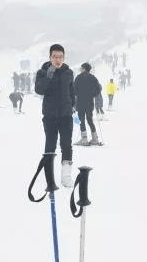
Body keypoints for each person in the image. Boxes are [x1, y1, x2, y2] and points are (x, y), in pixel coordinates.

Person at [34, 43, 77, 187]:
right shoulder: (43, 72)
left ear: (64, 58)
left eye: (60, 57)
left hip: (66, 116)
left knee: (66, 144)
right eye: (55, 57)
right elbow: (39, 90)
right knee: (50, 144)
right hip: (50, 116)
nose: (58, 60)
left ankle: (66, 176)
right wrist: (49, 75)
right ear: (50, 57)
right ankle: (49, 176)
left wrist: (73, 105)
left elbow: (71, 91)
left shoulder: (68, 72)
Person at [73, 62, 102, 146]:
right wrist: (93, 94)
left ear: (84, 69)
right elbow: (99, 88)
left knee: (81, 120)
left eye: (81, 68)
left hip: (81, 102)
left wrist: (77, 94)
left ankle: (84, 139)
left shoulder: (78, 78)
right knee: (89, 120)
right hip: (89, 102)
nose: (80, 69)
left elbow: (74, 90)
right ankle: (95, 139)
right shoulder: (93, 78)